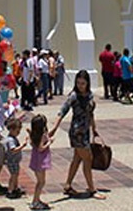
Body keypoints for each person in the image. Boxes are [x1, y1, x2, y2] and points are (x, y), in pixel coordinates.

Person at [49, 70, 106, 200]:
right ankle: (92, 189)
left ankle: (68, 185)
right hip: (77, 132)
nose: (81, 85)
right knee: (88, 158)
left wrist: (94, 129)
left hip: (85, 131)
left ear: (87, 83)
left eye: (83, 83)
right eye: (78, 83)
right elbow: (62, 112)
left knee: (77, 158)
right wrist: (54, 128)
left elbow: (90, 114)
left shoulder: (90, 95)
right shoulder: (73, 96)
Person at [29, 114, 53, 210]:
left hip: (35, 160)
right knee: (41, 182)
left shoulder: (33, 134)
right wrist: (49, 142)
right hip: (41, 161)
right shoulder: (42, 135)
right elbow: (40, 148)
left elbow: (32, 144)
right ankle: (35, 201)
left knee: (40, 181)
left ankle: (37, 199)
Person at [4, 118, 28, 199]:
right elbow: (13, 150)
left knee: (16, 175)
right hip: (12, 161)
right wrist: (22, 146)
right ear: (11, 129)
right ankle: (10, 190)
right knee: (13, 175)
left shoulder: (13, 138)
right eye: (17, 131)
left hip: (15, 161)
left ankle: (15, 188)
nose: (18, 133)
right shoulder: (10, 140)